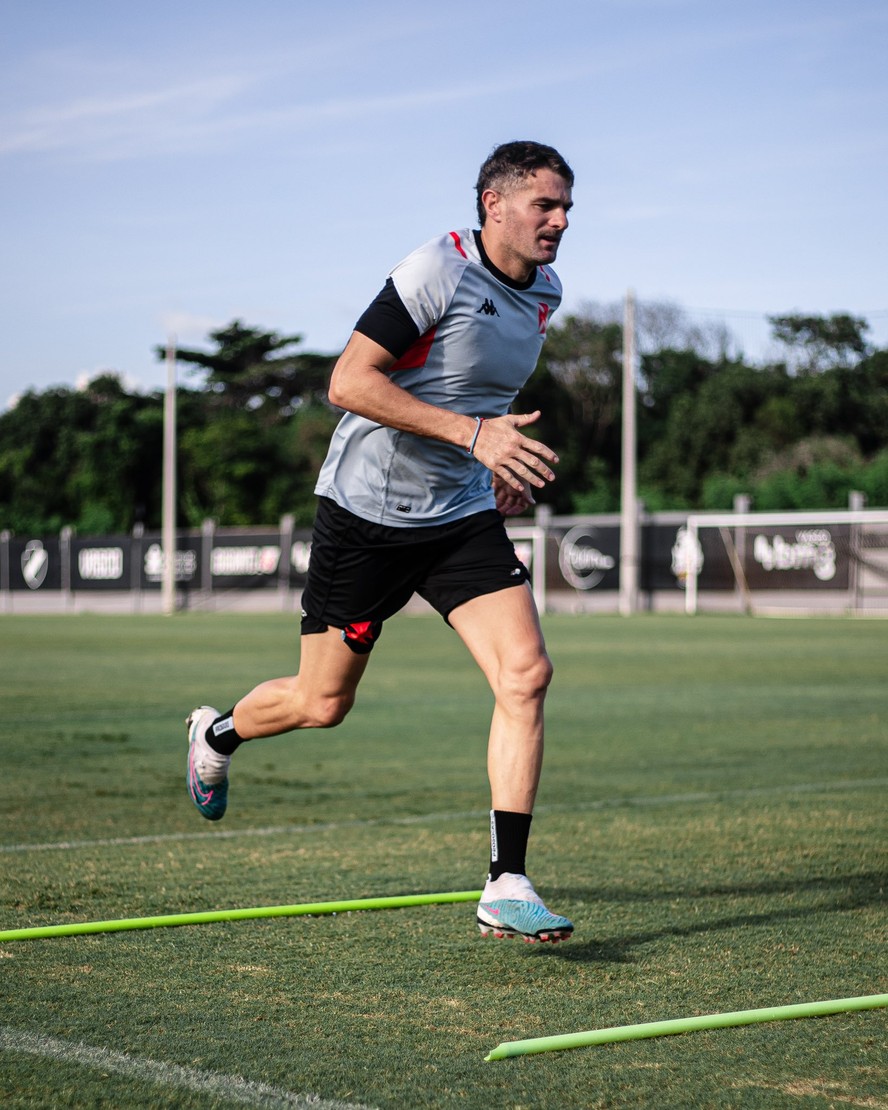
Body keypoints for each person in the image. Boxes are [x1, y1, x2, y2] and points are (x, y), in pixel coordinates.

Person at [187, 140, 575, 944]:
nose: (561, 221)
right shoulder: (437, 268)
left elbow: (475, 390)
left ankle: (506, 881)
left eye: (567, 207)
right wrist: (475, 436)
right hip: (367, 513)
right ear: (494, 204)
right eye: (545, 204)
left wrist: (495, 455)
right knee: (322, 703)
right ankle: (216, 734)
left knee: (527, 673)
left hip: (459, 513)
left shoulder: (546, 293)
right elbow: (348, 382)